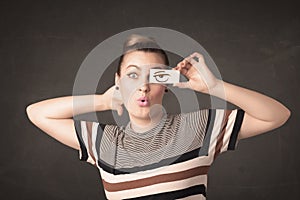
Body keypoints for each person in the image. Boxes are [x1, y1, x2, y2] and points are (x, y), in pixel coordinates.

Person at [26, 34, 291, 200]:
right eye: (132, 75)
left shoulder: (197, 127)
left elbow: (276, 116)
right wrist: (103, 100)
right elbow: (37, 113)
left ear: (166, 83)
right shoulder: (103, 141)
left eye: (153, 75)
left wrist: (215, 87)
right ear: (118, 81)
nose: (142, 86)